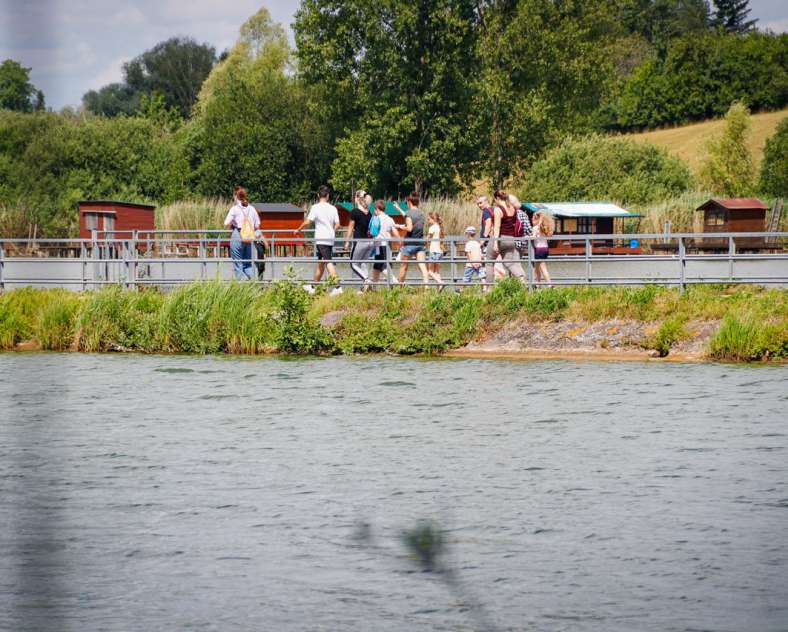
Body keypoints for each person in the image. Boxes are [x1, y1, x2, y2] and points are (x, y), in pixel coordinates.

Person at [294, 185, 342, 294]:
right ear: (328, 196)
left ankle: (338, 288)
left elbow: (308, 221)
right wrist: (332, 231)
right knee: (321, 263)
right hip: (330, 238)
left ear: (318, 195)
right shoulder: (333, 208)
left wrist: (299, 229)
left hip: (321, 239)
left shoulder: (316, 207)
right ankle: (313, 286)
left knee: (328, 261)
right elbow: (338, 224)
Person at [489, 189, 526, 281]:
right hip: (511, 239)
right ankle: (522, 279)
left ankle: (488, 288)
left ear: (497, 198)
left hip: (501, 238)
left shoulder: (498, 209)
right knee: (510, 263)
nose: (495, 202)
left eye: (495, 200)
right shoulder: (513, 208)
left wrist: (495, 243)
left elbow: (497, 227)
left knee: (489, 262)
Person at [223, 187, 259, 280]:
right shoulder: (252, 208)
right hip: (248, 237)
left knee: (238, 263)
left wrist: (235, 222)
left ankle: (239, 288)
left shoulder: (235, 209)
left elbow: (226, 222)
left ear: (236, 196)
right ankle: (255, 283)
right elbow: (257, 224)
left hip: (238, 235)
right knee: (248, 264)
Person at [394, 192, 429, 286]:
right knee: (422, 266)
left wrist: (400, 227)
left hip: (409, 243)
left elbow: (409, 228)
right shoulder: (421, 213)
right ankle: (427, 286)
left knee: (403, 266)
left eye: (407, 202)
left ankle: (399, 287)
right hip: (420, 244)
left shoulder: (409, 213)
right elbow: (406, 216)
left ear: (409, 201)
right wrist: (398, 208)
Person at [345, 190, 375, 289]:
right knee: (363, 264)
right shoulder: (369, 213)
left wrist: (347, 242)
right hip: (370, 242)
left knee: (353, 264)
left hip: (359, 242)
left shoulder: (355, 212)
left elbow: (350, 227)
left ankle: (367, 280)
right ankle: (367, 287)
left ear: (357, 198)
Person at [370, 199, 399, 286]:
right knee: (376, 266)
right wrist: (400, 241)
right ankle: (373, 288)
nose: (374, 212)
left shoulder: (375, 219)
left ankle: (396, 283)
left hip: (379, 245)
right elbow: (395, 232)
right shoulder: (390, 219)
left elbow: (372, 232)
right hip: (388, 246)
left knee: (382, 267)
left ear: (377, 209)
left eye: (375, 210)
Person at [532, 211, 554, 287]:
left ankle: (550, 285)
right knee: (536, 268)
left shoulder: (536, 228)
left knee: (542, 268)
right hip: (545, 248)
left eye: (533, 218)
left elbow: (533, 237)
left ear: (536, 219)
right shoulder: (544, 227)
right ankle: (537, 284)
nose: (532, 220)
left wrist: (527, 237)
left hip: (539, 249)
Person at [426, 211, 444, 288]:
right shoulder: (440, 227)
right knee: (436, 272)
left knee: (429, 271)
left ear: (433, 219)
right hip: (440, 251)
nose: (428, 221)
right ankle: (439, 289)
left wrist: (424, 245)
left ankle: (440, 282)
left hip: (434, 251)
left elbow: (427, 239)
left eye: (429, 219)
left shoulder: (432, 228)